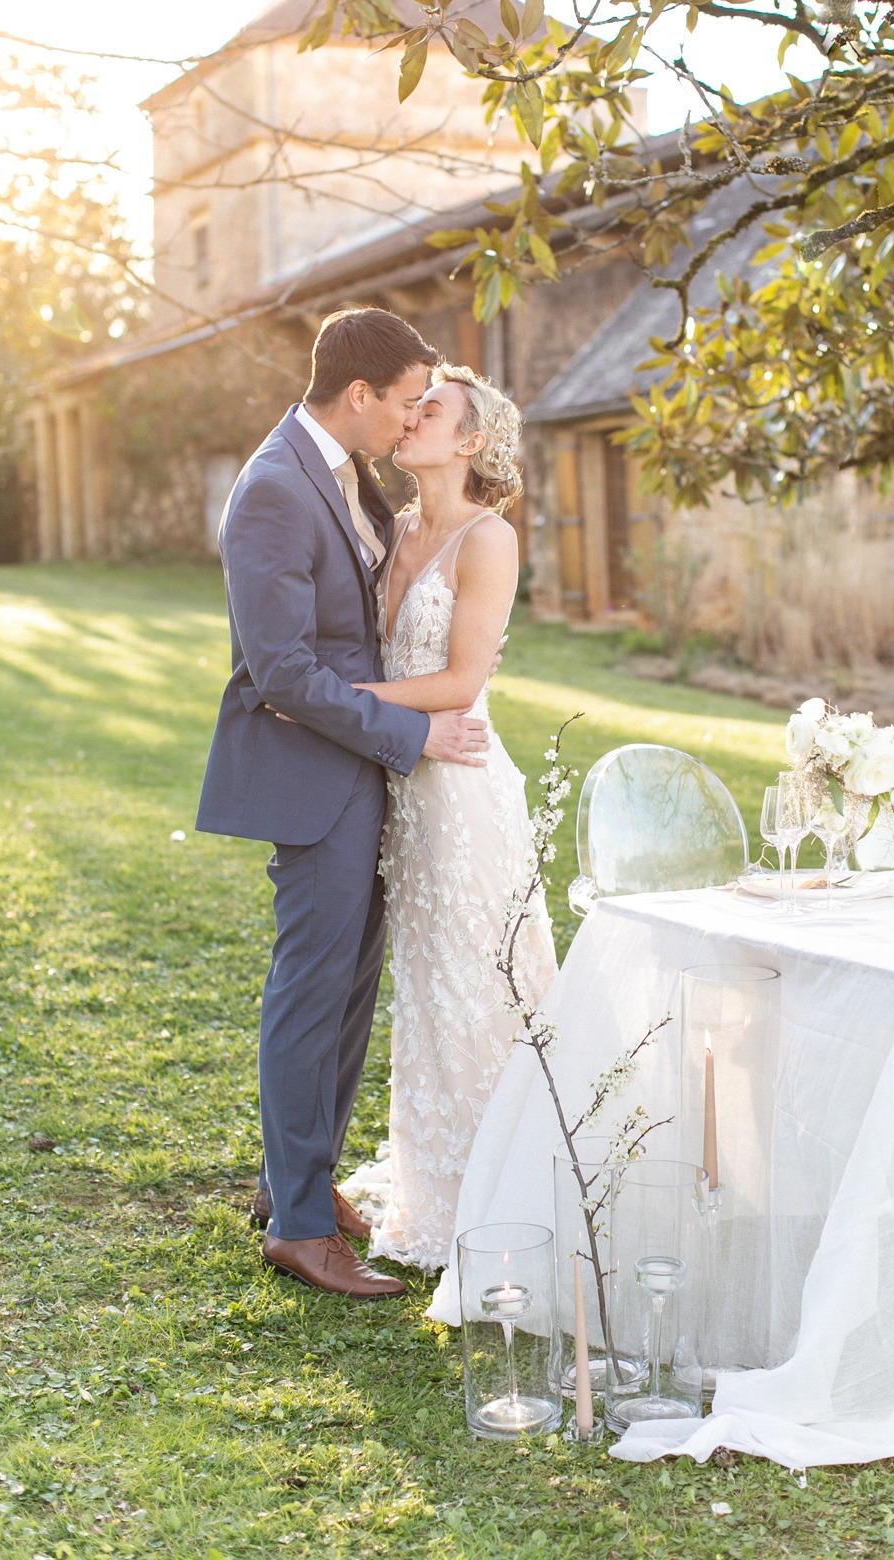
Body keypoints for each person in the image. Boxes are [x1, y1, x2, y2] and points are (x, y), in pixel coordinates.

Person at [196, 309, 489, 1300]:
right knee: (310, 997)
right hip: (315, 773)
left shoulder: (343, 471)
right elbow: (280, 669)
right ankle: (303, 1229)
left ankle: (301, 1187)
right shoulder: (278, 488)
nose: (412, 419)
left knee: (349, 994)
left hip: (356, 772)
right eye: (407, 400)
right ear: (358, 395)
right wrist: (411, 732)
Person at [337, 364, 558, 1270]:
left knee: (480, 984)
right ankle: (435, 1178)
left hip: (463, 793)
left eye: (432, 411)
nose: (412, 417)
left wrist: (335, 697)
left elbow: (463, 683)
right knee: (427, 987)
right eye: (412, 407)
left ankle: (510, 1187)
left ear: (469, 442)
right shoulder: (392, 526)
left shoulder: (487, 538)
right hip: (403, 789)